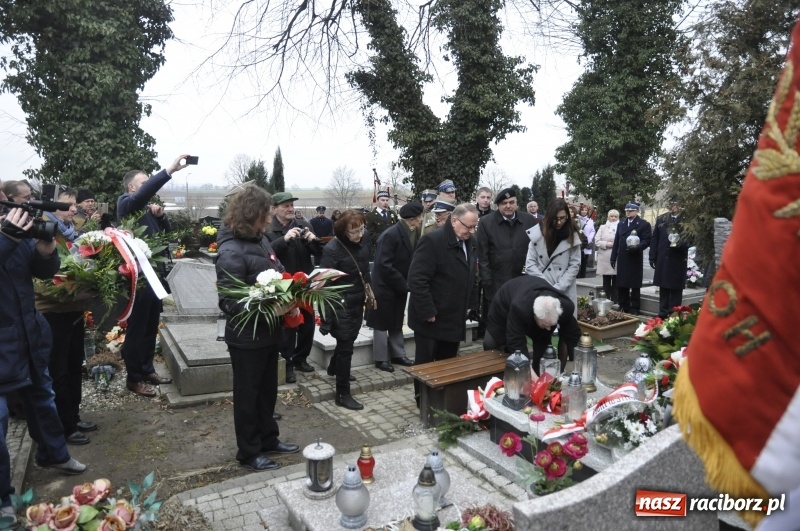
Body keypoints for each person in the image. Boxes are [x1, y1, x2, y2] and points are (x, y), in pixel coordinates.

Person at [1, 192, 87, 524]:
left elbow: (43, 271)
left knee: (43, 399)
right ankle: (2, 496)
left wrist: (45, 249)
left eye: (6, 203)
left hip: (27, 335)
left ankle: (54, 454)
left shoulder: (12, 231)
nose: (8, 210)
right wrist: (7, 235)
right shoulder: (7, 232)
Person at [215, 186, 300, 471]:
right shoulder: (230, 250)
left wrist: (291, 293)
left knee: (267, 391)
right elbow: (228, 301)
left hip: (269, 331)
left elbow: (277, 269)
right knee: (248, 396)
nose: (267, 221)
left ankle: (268, 439)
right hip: (246, 337)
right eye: (264, 216)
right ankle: (249, 452)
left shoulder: (260, 240)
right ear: (251, 215)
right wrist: (263, 305)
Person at [117, 154, 189, 397]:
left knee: (150, 325)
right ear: (132, 187)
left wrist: (161, 217)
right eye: (144, 182)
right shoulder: (127, 203)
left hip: (155, 275)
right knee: (137, 329)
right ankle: (133, 378)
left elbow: (166, 237)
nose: (148, 186)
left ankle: (147, 369)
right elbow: (142, 196)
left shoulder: (146, 210)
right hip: (139, 277)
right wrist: (168, 170)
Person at [35, 187, 98, 446]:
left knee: (74, 365)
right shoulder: (43, 233)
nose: (74, 209)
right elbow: (41, 283)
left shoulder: (71, 234)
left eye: (74, 204)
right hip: (52, 313)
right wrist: (76, 294)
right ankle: (64, 426)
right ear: (51, 209)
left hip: (71, 310)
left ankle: (74, 415)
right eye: (67, 205)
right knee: (58, 369)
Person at [408, 203, 480, 404]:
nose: (471, 231)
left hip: (454, 314)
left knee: (447, 363)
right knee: (425, 364)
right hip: (431, 316)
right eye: (468, 226)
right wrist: (428, 310)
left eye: (475, 227)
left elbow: (473, 275)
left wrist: (470, 304)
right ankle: (422, 401)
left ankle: (442, 400)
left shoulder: (471, 242)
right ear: (454, 220)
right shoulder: (432, 241)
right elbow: (417, 279)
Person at [264, 192, 323, 383]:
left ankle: (301, 358)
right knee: (289, 327)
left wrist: (313, 240)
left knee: (307, 324)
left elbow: (319, 253)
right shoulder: (268, 229)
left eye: (291, 205)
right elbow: (266, 254)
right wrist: (284, 239)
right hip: (284, 285)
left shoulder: (303, 225)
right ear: (274, 209)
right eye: (285, 206)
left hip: (304, 283)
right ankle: (287, 363)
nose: (290, 209)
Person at [319, 210, 372, 411]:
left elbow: (365, 267)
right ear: (343, 232)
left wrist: (369, 289)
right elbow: (324, 283)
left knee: (348, 340)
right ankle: (342, 393)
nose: (360, 234)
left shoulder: (364, 239)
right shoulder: (333, 250)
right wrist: (327, 315)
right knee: (346, 345)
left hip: (358, 300)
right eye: (354, 232)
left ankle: (335, 367)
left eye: (361, 229)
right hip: (340, 303)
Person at [366, 202, 423, 373]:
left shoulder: (409, 231)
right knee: (381, 323)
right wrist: (403, 283)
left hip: (397, 286)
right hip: (385, 286)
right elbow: (384, 265)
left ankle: (398, 355)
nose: (421, 220)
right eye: (419, 217)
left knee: (397, 320)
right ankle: (381, 358)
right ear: (412, 219)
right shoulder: (391, 235)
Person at [484, 275, 581, 374]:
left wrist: (577, 366)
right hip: (504, 305)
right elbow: (516, 343)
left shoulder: (565, 307)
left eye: (552, 325)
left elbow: (573, 336)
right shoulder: (520, 308)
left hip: (531, 297)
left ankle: (538, 372)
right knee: (491, 343)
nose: (549, 329)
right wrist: (530, 374)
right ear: (535, 315)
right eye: (545, 324)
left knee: (542, 344)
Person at [476, 187, 536, 313]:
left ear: (517, 203)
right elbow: (483, 254)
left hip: (522, 279)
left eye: (511, 202)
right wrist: (487, 281)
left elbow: (537, 248)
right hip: (496, 281)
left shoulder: (529, 220)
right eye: (504, 203)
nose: (508, 206)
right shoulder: (486, 222)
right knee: (497, 320)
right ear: (498, 205)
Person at [523, 198, 581, 316]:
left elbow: (574, 265)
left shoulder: (572, 235)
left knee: (566, 328)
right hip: (541, 288)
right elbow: (530, 264)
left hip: (564, 289)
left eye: (563, 218)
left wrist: (559, 288)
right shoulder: (536, 234)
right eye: (556, 219)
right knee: (543, 326)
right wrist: (547, 287)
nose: (559, 222)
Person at [610, 202, 652, 315]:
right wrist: (613, 257)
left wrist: (638, 247)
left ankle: (634, 307)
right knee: (622, 283)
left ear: (637, 211)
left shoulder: (643, 224)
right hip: (623, 257)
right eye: (627, 210)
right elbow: (617, 241)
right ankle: (623, 305)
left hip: (634, 257)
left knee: (634, 284)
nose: (628, 212)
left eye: (631, 210)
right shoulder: (621, 224)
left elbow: (647, 240)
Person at [649, 198, 688, 318]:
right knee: (663, 286)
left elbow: (691, 239)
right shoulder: (662, 218)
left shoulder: (687, 220)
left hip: (678, 258)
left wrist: (681, 243)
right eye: (671, 204)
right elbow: (655, 238)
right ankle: (662, 312)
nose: (673, 206)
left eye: (675, 203)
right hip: (663, 258)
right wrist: (652, 256)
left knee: (676, 287)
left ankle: (674, 314)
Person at [594, 209, 620, 303]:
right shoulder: (602, 227)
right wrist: (607, 244)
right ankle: (605, 299)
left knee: (616, 280)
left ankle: (616, 300)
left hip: (617, 256)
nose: (613, 218)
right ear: (608, 217)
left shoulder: (620, 227)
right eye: (611, 216)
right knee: (606, 281)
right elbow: (597, 240)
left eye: (615, 216)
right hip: (605, 257)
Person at [365, 190, 398, 257]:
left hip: (393, 248)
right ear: (377, 201)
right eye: (382, 200)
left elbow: (397, 228)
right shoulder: (370, 216)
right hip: (378, 248)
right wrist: (386, 239)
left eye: (387, 200)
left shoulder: (392, 214)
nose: (385, 203)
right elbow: (370, 234)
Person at [577, 203, 596, 278]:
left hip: (586, 242)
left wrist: (589, 239)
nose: (584, 211)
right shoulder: (577, 219)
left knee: (584, 262)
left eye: (586, 210)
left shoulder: (590, 221)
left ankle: (583, 276)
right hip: (578, 242)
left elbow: (592, 231)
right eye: (582, 210)